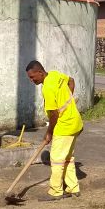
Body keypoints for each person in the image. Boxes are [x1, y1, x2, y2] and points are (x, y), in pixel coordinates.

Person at [25, 60, 83, 201]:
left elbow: (54, 115)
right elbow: (72, 81)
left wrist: (49, 133)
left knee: (56, 159)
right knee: (68, 157)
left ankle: (56, 191)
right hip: (76, 122)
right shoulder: (55, 75)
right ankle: (73, 187)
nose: (31, 80)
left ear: (40, 72)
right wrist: (67, 102)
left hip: (65, 126)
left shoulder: (48, 88)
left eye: (32, 77)